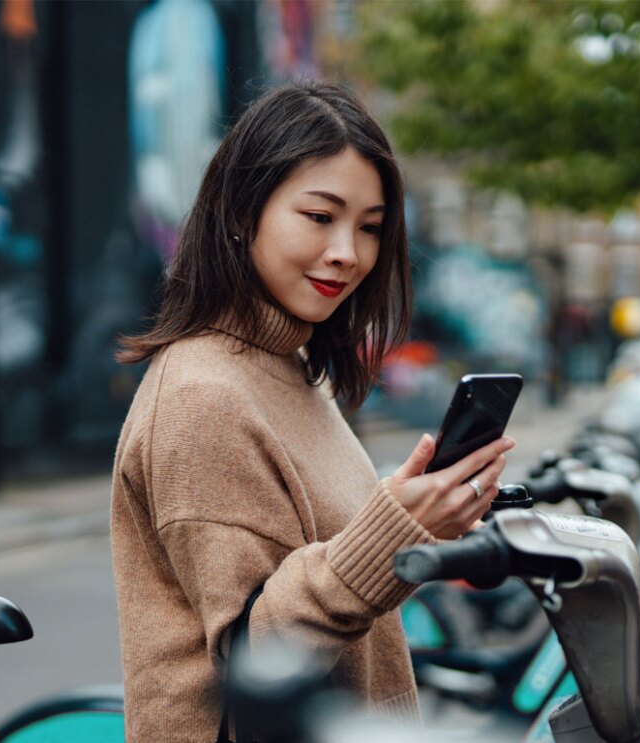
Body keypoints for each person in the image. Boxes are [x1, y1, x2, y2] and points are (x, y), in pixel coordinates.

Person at [111, 79, 515, 742]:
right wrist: (392, 535)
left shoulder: (290, 367)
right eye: (320, 217)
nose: (348, 253)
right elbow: (256, 661)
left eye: (370, 228)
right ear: (242, 212)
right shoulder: (202, 398)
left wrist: (420, 515)